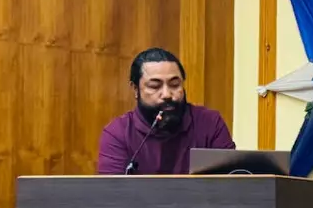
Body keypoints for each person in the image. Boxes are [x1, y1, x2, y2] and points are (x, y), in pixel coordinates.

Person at [97, 48, 234, 174]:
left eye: (175, 85)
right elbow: (112, 191)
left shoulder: (210, 123)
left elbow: (231, 182)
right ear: (135, 89)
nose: (167, 94)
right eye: (155, 86)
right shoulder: (118, 133)